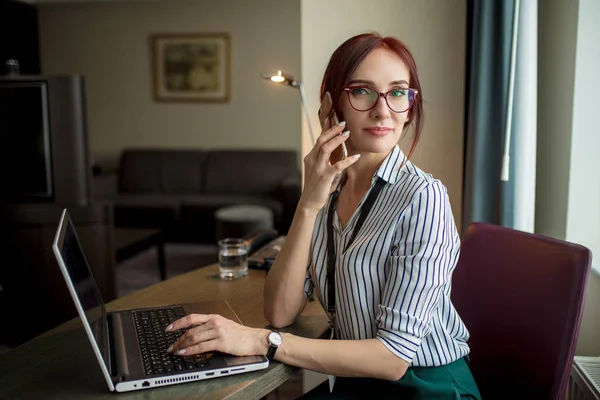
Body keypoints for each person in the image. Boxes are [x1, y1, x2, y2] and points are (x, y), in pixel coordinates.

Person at [164, 32, 482, 399]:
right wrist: (309, 203)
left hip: (425, 387)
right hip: (358, 385)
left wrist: (260, 340)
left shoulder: (423, 198)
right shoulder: (330, 196)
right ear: (331, 106)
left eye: (397, 92)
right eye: (362, 91)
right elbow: (280, 310)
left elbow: (393, 357)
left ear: (410, 106)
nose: (383, 110)